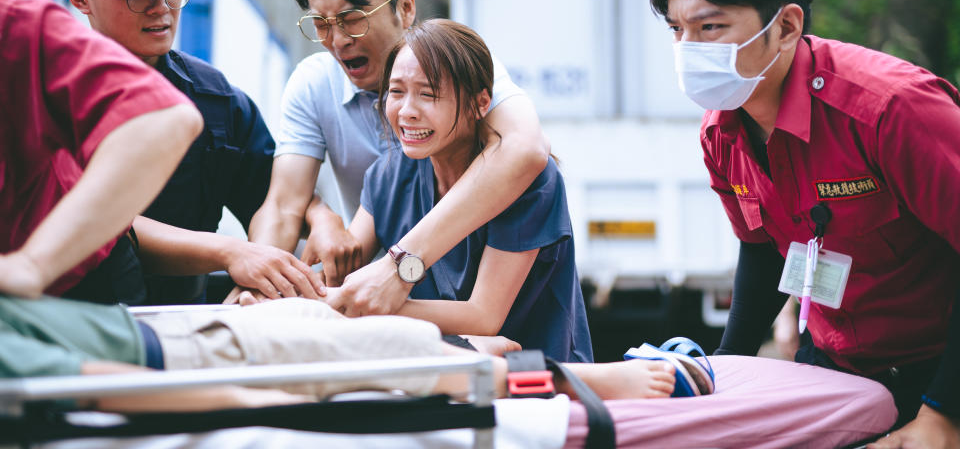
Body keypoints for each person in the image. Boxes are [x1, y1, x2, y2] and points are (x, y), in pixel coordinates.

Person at [649, 0, 960, 447]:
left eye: (710, 27)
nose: (688, 51)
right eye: (678, 31)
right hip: (834, 369)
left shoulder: (892, 110)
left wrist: (942, 415)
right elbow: (763, 249)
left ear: (787, 26)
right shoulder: (720, 132)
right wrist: (728, 370)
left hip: (938, 373)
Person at [244, 0, 549, 314]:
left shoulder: (466, 74)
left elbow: (525, 149)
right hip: (387, 304)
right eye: (321, 24)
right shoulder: (323, 95)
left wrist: (398, 269)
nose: (337, 40)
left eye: (353, 18)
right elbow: (284, 203)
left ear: (405, 8)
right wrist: (258, 282)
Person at [65, 0, 323, 305]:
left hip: (186, 319)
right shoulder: (44, 99)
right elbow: (98, 222)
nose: (160, 7)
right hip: (76, 326)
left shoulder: (215, 100)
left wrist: (322, 220)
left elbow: (275, 195)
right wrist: (230, 252)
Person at [333, 19, 590, 362]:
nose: (407, 111)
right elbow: (344, 271)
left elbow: (484, 317)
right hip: (439, 382)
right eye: (396, 91)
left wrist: (373, 303)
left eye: (428, 94)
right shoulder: (389, 173)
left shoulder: (531, 182)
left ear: (480, 103)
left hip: (540, 385)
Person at [0, 293, 673, 413]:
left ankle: (470, 347)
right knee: (401, 351)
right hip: (193, 353)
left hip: (182, 327)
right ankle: (578, 380)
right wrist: (259, 404)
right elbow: (109, 386)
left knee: (323, 313)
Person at [0, 0, 202, 301]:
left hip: (74, 285)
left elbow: (277, 201)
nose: (161, 7)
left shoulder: (13, 17)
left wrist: (31, 266)